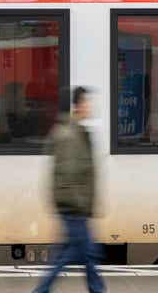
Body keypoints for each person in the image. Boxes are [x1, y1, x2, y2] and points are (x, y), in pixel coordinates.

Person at [33, 86, 105, 293]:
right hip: (74, 207)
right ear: (79, 105)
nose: (90, 106)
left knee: (81, 253)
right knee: (83, 253)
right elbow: (69, 174)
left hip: (75, 206)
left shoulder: (77, 132)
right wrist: (79, 207)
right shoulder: (71, 135)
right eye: (87, 102)